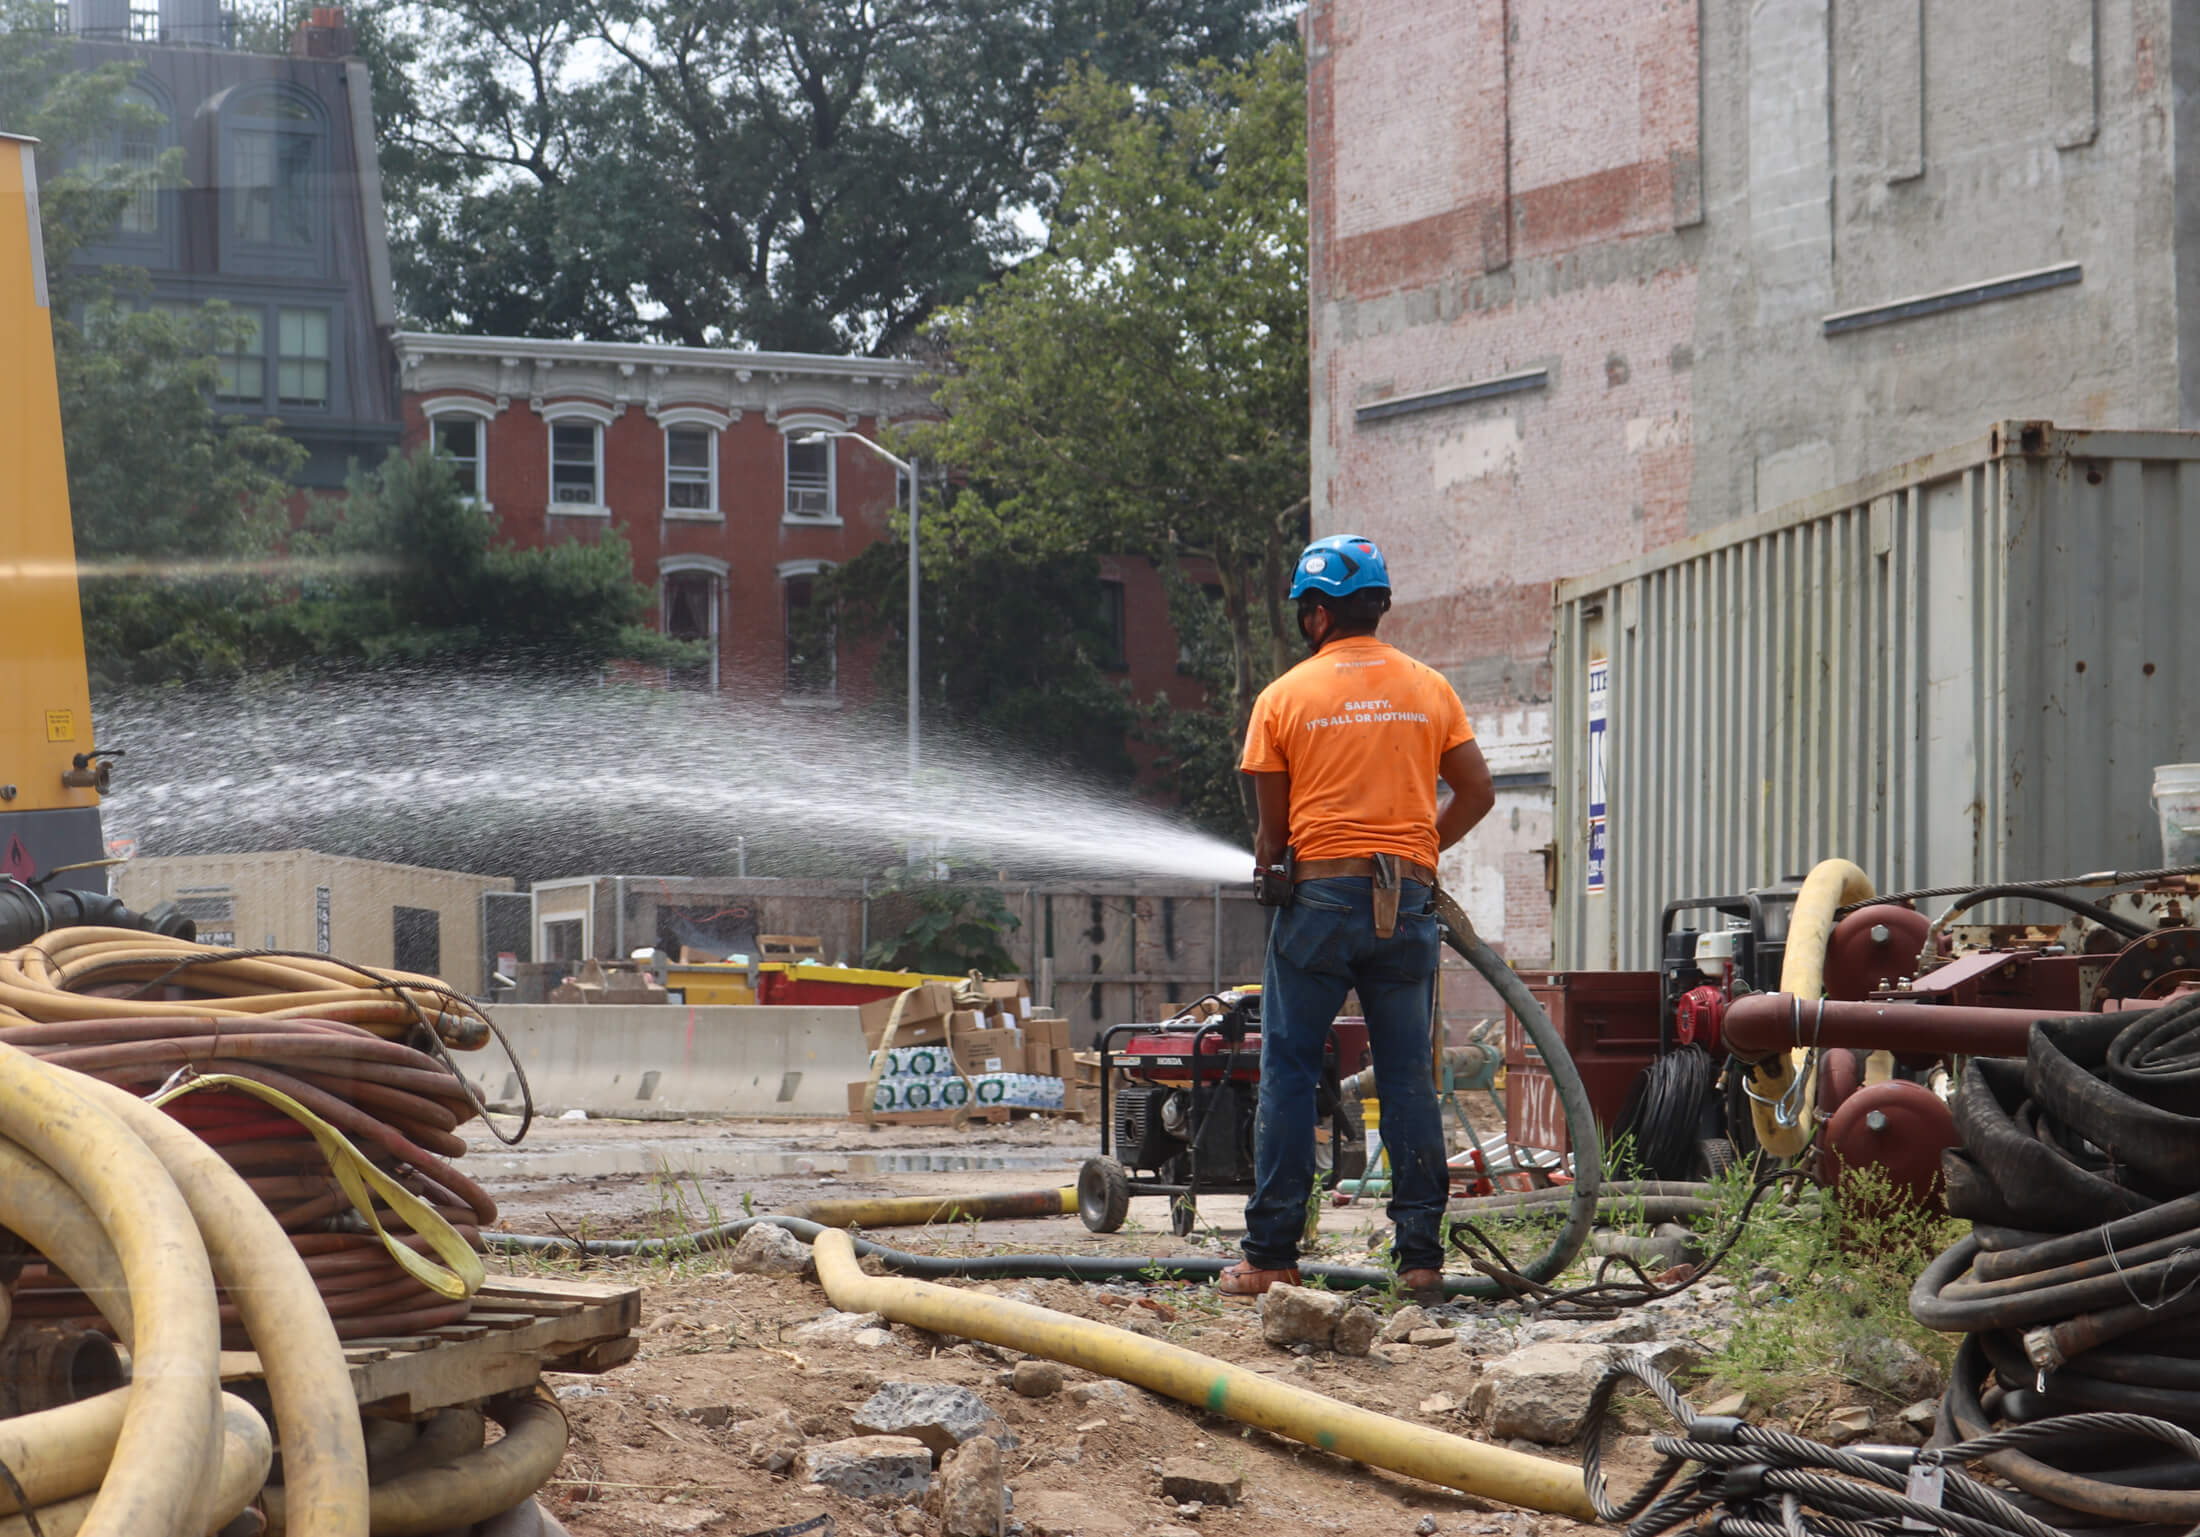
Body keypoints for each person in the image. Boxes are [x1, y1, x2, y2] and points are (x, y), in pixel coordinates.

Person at [1217, 533, 1494, 1301]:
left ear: (1315, 614)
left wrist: (1273, 860)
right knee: (1409, 1077)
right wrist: (1414, 853)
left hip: (1316, 903)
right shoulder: (1429, 688)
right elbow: (1477, 792)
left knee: (1289, 1072)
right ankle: (1420, 1261)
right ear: (1377, 606)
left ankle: (1271, 1255)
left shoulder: (1284, 697)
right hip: (1402, 904)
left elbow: (1273, 838)